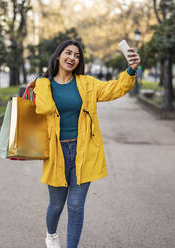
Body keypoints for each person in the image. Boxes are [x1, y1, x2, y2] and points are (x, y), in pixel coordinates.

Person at [28, 40, 140, 248]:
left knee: (76, 205)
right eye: (68, 53)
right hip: (56, 152)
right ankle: (51, 235)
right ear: (58, 56)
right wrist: (40, 84)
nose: (72, 58)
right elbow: (42, 109)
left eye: (77, 55)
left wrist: (131, 71)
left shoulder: (87, 84)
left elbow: (114, 88)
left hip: (83, 150)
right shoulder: (43, 84)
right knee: (56, 205)